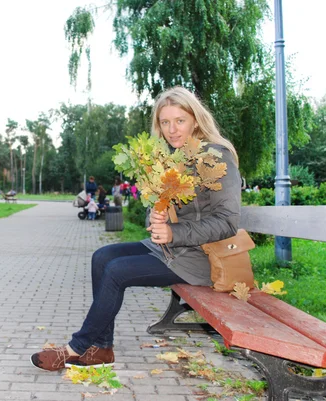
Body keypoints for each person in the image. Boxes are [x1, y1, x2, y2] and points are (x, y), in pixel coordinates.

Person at [30, 86, 241, 371]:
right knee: (102, 257)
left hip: (199, 260)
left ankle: (76, 347)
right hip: (169, 249)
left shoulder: (217, 156)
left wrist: (174, 233)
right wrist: (155, 218)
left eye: (179, 120)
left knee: (117, 272)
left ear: (195, 119)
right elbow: (164, 213)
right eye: (165, 123)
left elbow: (228, 221)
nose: (172, 130)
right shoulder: (173, 158)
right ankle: (103, 348)